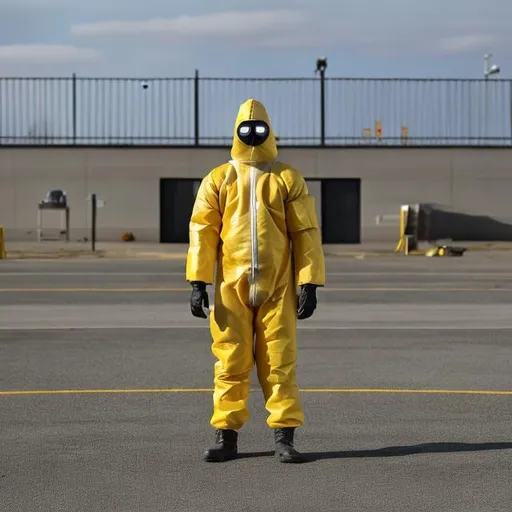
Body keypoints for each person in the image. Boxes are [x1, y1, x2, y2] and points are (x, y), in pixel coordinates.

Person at [185, 98, 325, 463]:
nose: (251, 134)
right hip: (231, 287)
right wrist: (198, 281)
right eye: (245, 129)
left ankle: (284, 436)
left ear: (269, 130)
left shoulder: (286, 177)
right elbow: (203, 230)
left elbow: (305, 232)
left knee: (279, 361)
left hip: (278, 287)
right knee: (230, 361)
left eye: (257, 128)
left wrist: (308, 282)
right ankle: (226, 436)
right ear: (235, 131)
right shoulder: (219, 178)